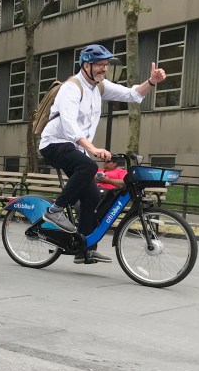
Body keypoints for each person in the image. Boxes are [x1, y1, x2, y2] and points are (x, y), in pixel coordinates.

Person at [39, 44, 166, 264]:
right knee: (88, 167)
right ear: (86, 65)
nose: (103, 69)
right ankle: (55, 211)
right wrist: (92, 149)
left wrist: (151, 81)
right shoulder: (71, 88)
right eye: (99, 64)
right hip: (55, 143)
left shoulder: (99, 87)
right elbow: (69, 125)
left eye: (105, 65)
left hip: (76, 148)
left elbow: (131, 94)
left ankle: (84, 248)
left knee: (92, 196)